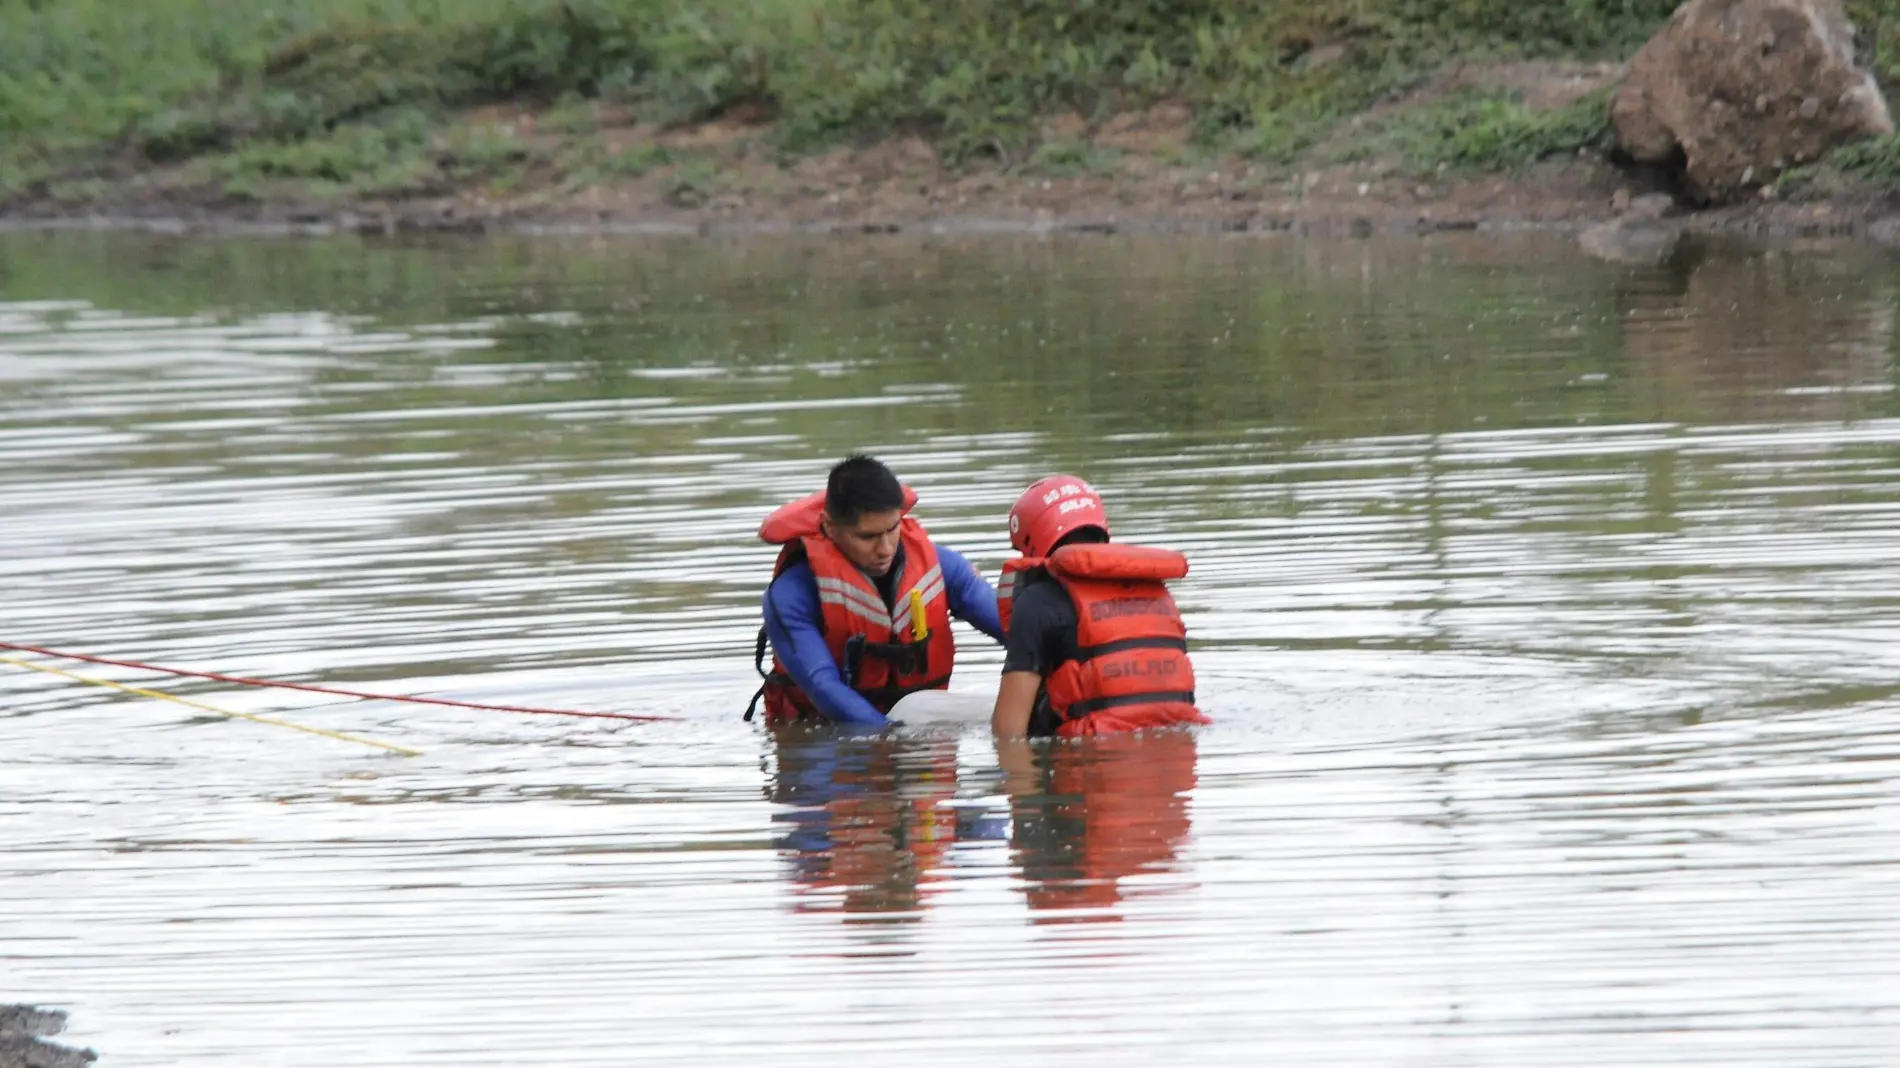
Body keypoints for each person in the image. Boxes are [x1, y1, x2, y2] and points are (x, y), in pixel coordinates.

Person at [751, 454, 1003, 729]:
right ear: (829, 527)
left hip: (918, 725)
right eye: (867, 537)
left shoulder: (942, 567)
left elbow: (1018, 630)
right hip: (820, 742)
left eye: (892, 528)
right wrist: (891, 738)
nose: (885, 549)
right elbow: (822, 686)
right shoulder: (790, 595)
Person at [992, 474, 1211, 737]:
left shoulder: (1037, 602)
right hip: (1176, 756)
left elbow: (1007, 732)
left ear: (1033, 539)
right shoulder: (1155, 591)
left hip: (1088, 761)